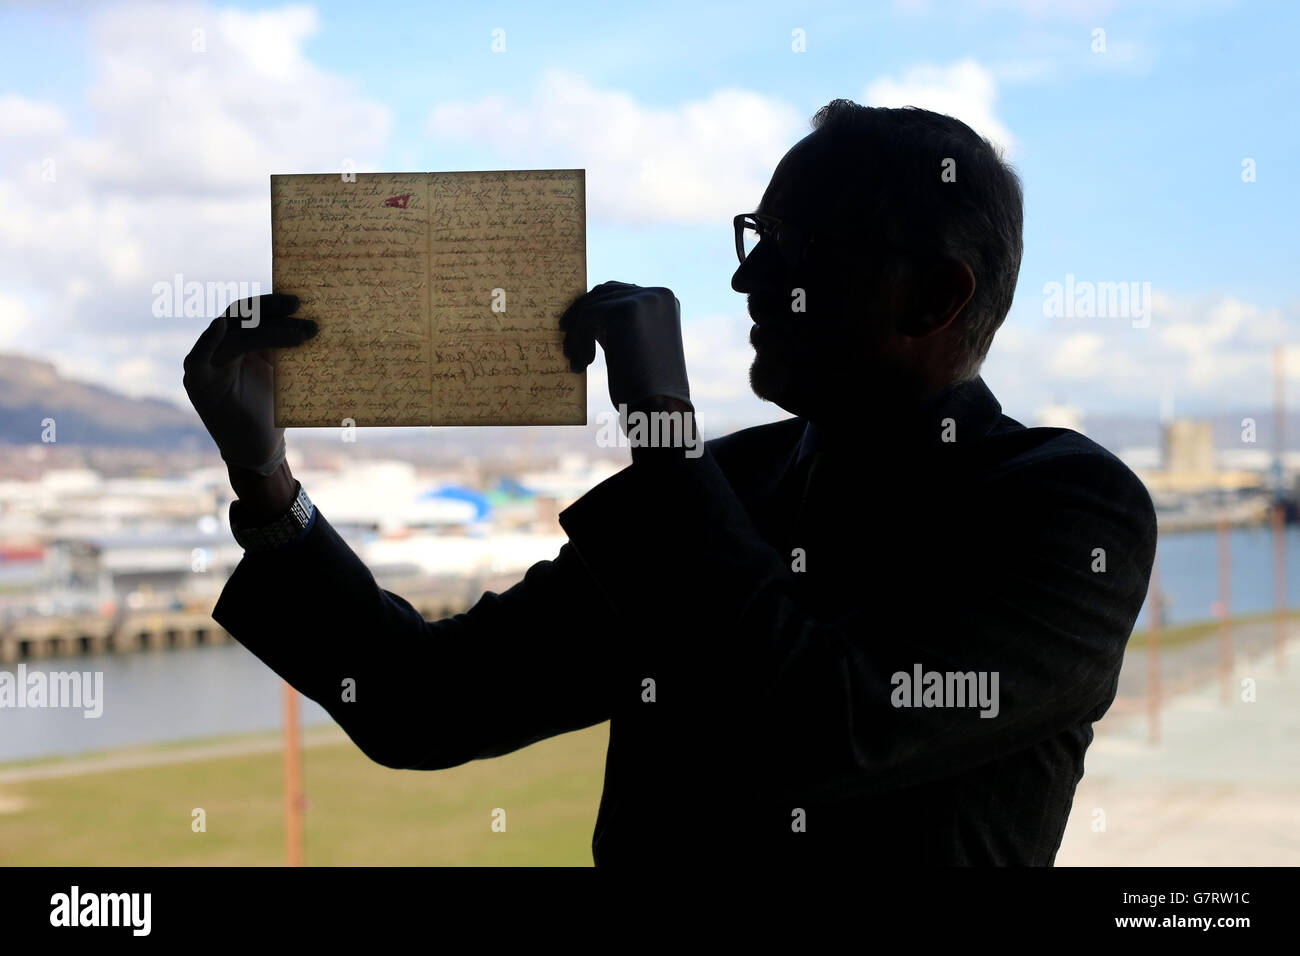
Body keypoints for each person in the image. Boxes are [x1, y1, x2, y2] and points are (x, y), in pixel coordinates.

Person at [183, 99, 1156, 866]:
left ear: (935, 294)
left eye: (796, 245)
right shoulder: (723, 479)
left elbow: (822, 726)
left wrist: (659, 424)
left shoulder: (1066, 507)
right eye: (755, 236)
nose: (748, 281)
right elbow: (428, 702)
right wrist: (263, 478)